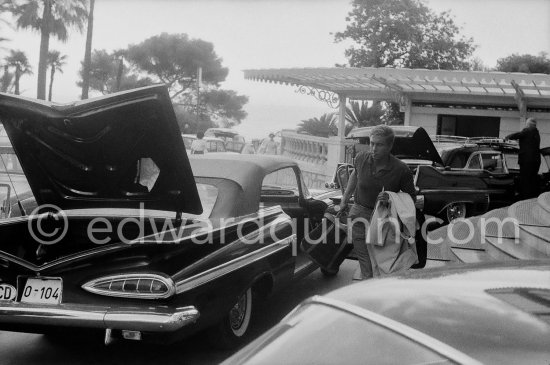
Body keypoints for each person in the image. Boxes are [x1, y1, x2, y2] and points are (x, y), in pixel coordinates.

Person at [338, 125, 416, 280]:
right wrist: (345, 198)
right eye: (372, 143)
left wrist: (391, 199)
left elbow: (411, 199)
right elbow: (356, 173)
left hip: (383, 223)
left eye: (379, 145)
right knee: (366, 265)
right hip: (358, 215)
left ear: (389, 146)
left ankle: (378, 293)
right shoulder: (361, 158)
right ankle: (368, 293)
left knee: (382, 265)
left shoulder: (401, 169)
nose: (374, 148)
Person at [505, 117, 541, 199]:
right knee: (532, 181)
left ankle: (524, 199)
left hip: (527, 160)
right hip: (536, 160)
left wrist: (507, 137)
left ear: (528, 124)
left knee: (525, 181)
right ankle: (531, 199)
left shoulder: (528, 130)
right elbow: (527, 141)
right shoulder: (536, 133)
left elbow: (517, 135)